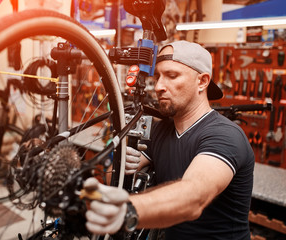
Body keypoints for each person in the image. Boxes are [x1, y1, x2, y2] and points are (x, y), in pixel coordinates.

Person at [84, 40, 255, 239]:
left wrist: (122, 210)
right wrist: (120, 164)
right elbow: (114, 179)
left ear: (202, 81)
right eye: (157, 77)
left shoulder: (224, 135)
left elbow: (194, 197)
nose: (158, 87)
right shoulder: (160, 130)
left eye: (172, 76)